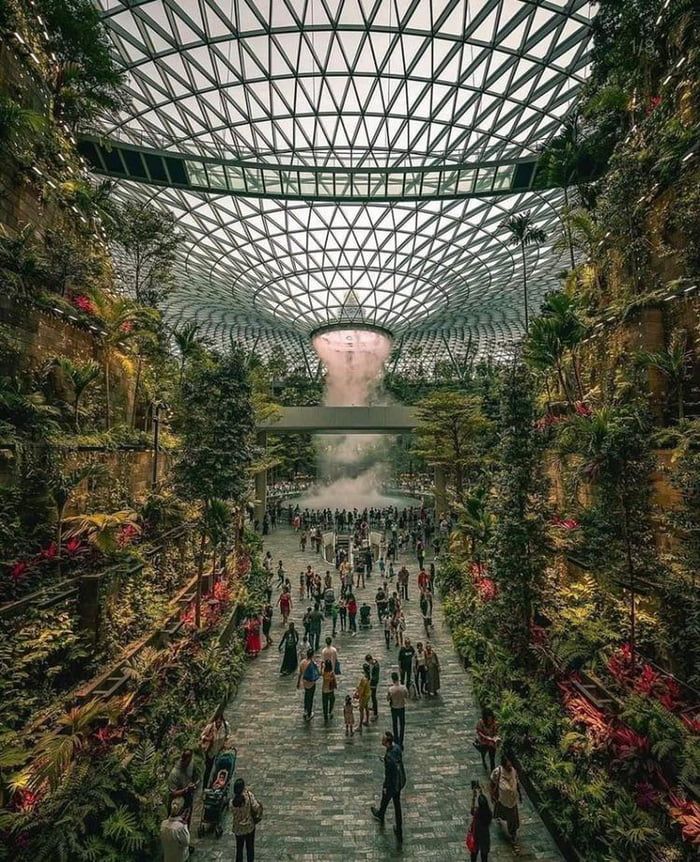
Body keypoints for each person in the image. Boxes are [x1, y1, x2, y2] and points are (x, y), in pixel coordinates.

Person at [371, 730, 405, 843]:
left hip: (392, 784)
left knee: (387, 798)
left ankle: (381, 813)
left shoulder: (389, 758)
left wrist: (385, 786)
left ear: (387, 742)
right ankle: (398, 828)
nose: (381, 740)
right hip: (399, 781)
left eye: (383, 740)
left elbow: (388, 775)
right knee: (396, 804)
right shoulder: (397, 748)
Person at [490, 752, 522, 845]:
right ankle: (500, 819)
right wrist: (492, 794)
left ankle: (513, 833)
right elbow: (492, 783)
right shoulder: (498, 772)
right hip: (502, 798)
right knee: (501, 810)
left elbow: (517, 782)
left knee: (513, 818)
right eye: (508, 765)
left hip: (512, 800)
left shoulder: (513, 771)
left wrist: (519, 794)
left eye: (510, 765)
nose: (510, 767)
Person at [230, 777, 262, 862]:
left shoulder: (232, 803)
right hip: (249, 826)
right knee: (250, 848)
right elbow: (256, 807)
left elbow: (232, 811)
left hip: (238, 828)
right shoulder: (249, 796)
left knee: (239, 849)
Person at [167, 749, 200, 825]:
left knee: (186, 823)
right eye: (187, 762)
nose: (189, 763)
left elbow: (197, 778)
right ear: (183, 759)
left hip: (188, 797)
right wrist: (186, 789)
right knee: (175, 825)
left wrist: (194, 785)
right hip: (176, 802)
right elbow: (172, 793)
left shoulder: (191, 764)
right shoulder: (174, 773)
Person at [200, 710, 230, 788]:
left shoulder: (225, 726)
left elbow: (227, 736)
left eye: (220, 722)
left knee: (217, 770)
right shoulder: (210, 727)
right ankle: (204, 786)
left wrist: (225, 744)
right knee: (208, 770)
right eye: (217, 722)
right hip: (210, 751)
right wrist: (208, 738)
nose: (218, 724)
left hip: (219, 751)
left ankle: (214, 784)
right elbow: (202, 736)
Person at [160, 796, 190, 862]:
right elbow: (186, 843)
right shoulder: (181, 827)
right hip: (179, 858)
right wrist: (185, 825)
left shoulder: (163, 823)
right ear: (182, 811)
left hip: (167, 857)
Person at [469, 788, 493, 862]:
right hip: (485, 835)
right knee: (484, 854)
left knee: (474, 852)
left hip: (476, 833)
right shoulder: (489, 813)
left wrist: (474, 797)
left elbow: (472, 811)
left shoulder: (477, 812)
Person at [297, 648, 320, 720]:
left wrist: (298, 682)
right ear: (312, 655)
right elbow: (317, 672)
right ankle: (309, 713)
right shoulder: (312, 663)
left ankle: (305, 710)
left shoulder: (302, 662)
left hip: (305, 682)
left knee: (306, 695)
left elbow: (300, 674)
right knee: (310, 697)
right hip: (311, 683)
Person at [387, 671, 408, 748]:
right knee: (402, 725)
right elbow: (406, 696)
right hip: (401, 707)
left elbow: (387, 698)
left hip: (394, 707)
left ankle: (396, 739)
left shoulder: (391, 689)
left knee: (395, 724)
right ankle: (401, 740)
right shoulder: (403, 687)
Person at [475, 708, 500, 772]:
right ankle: (483, 759)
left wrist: (496, 737)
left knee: (492, 758)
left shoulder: (495, 722)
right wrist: (486, 737)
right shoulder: (481, 722)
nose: (489, 719)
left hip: (492, 742)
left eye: (490, 717)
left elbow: (497, 731)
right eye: (488, 717)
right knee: (483, 752)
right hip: (484, 741)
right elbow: (479, 731)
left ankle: (493, 771)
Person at [355, 663, 371, 729]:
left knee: (361, 710)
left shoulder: (363, 679)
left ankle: (360, 726)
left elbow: (361, 690)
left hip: (364, 696)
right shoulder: (368, 677)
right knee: (366, 707)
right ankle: (367, 720)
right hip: (368, 694)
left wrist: (358, 696)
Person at [367, 653, 380, 720]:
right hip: (372, 682)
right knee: (372, 696)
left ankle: (375, 713)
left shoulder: (375, 666)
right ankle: (374, 707)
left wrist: (370, 681)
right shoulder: (373, 664)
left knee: (373, 697)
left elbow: (375, 676)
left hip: (373, 683)